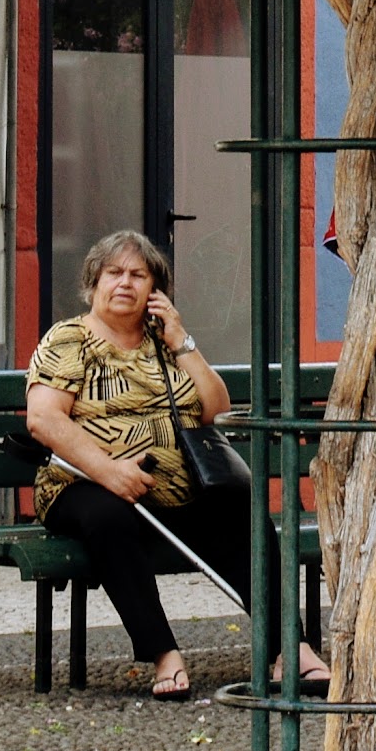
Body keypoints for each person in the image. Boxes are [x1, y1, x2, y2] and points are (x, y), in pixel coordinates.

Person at [24, 229, 328, 701]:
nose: (125, 283)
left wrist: (182, 340)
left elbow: (214, 409)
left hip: (174, 492)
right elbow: (43, 419)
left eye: (138, 275)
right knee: (108, 515)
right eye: (114, 273)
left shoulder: (164, 343)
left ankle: (290, 648)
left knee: (241, 509)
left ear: (155, 291)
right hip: (81, 484)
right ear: (94, 282)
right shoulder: (70, 339)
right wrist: (109, 470)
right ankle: (163, 653)